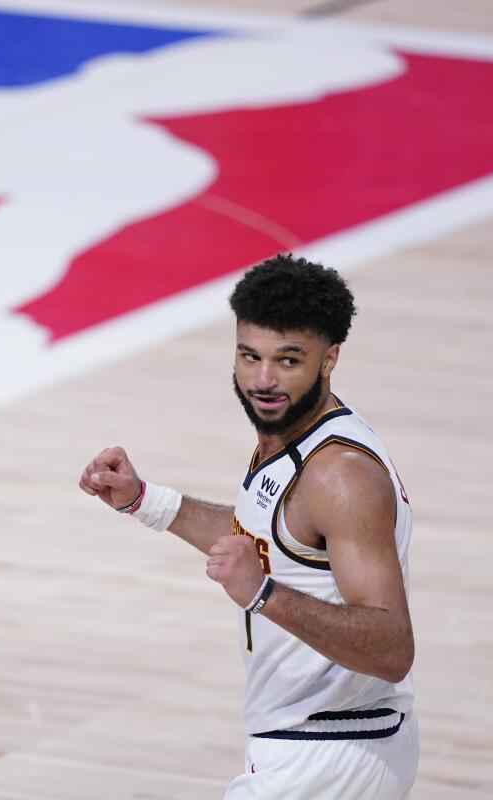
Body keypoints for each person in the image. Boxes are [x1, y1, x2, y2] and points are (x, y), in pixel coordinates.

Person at [79, 254, 417, 799]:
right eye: (249, 356)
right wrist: (146, 501)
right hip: (318, 743)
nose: (263, 380)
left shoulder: (339, 477)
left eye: (288, 360)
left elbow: (391, 648)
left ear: (329, 358)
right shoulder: (290, 438)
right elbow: (272, 537)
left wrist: (263, 594)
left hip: (332, 758)